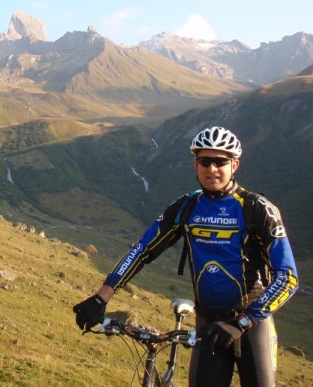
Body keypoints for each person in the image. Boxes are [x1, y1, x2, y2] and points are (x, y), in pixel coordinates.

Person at [73, 126, 298, 387]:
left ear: (234, 165)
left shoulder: (257, 209)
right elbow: (142, 250)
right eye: (205, 161)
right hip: (208, 322)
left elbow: (288, 277)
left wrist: (243, 321)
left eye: (220, 162)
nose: (212, 168)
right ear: (196, 164)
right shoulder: (187, 206)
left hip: (252, 324)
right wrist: (102, 296)